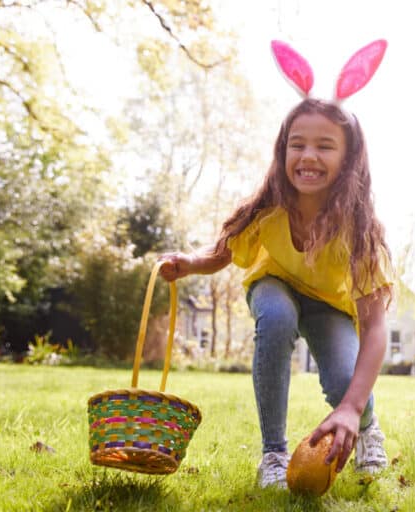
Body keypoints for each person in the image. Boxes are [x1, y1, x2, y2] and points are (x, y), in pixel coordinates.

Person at [158, 40, 392, 489]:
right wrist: (188, 263)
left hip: (330, 305)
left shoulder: (359, 230)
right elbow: (222, 252)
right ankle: (273, 453)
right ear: (282, 151)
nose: (308, 156)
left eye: (325, 146)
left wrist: (350, 405)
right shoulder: (269, 208)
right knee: (278, 315)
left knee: (345, 379)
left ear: (348, 158)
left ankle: (366, 429)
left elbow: (375, 327)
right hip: (276, 284)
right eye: (297, 144)